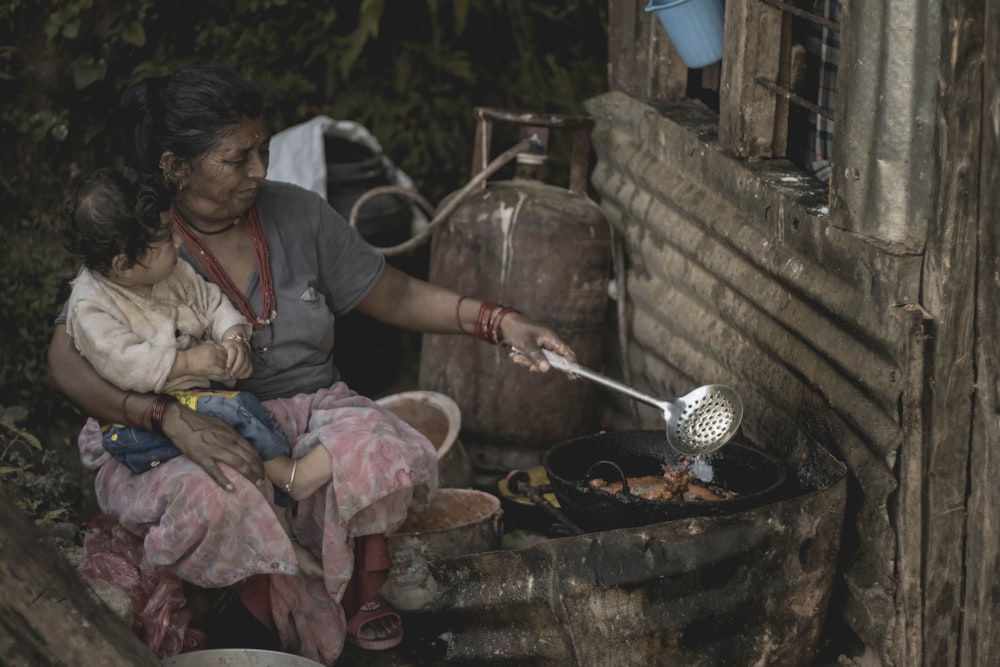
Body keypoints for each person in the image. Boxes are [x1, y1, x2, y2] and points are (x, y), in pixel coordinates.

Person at [47, 62, 575, 663]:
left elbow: (396, 294)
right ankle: (224, 614)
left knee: (375, 443)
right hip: (191, 420)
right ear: (174, 165)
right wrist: (163, 417)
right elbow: (65, 360)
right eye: (236, 158)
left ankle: (353, 594)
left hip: (311, 412)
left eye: (263, 150)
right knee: (214, 493)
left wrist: (499, 322)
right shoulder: (140, 240)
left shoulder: (298, 214)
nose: (259, 170)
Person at [61, 166, 330, 572]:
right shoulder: (91, 308)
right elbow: (128, 366)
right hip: (136, 425)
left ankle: (281, 530)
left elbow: (210, 300)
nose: (178, 240)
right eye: (166, 238)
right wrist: (189, 361)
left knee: (242, 421)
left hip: (191, 398)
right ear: (123, 264)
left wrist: (234, 336)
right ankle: (291, 477)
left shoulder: (170, 271)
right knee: (234, 412)